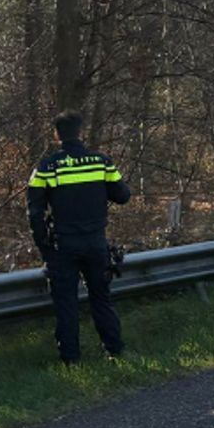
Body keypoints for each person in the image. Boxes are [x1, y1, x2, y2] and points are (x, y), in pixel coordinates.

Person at [27, 111, 131, 365]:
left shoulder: (46, 167)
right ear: (81, 132)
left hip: (63, 244)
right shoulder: (101, 162)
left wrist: (44, 246)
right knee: (101, 297)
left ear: (56, 135)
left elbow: (34, 211)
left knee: (66, 304)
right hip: (96, 242)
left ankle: (71, 360)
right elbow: (123, 195)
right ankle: (115, 350)